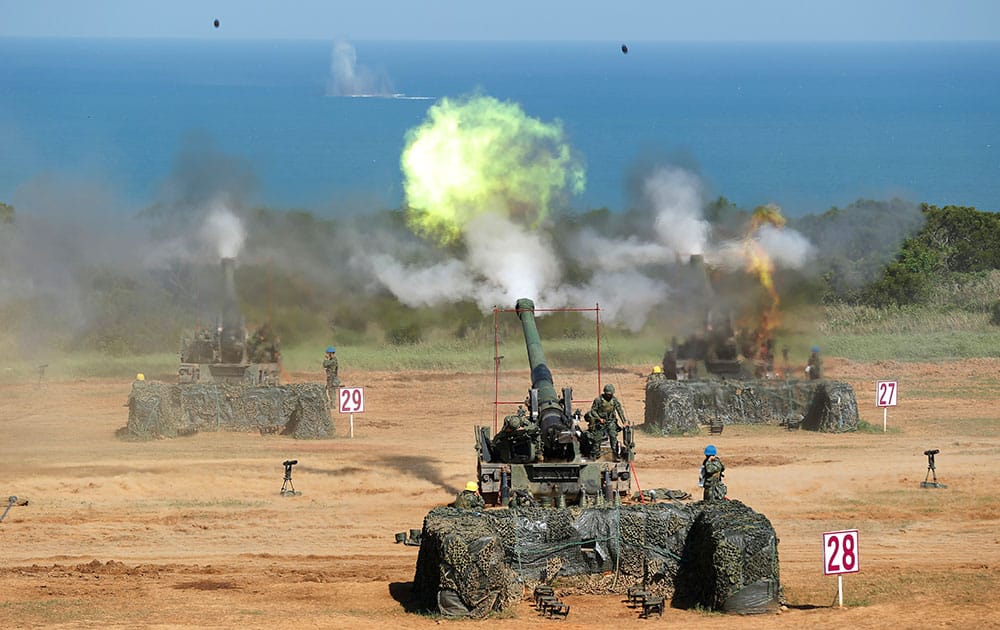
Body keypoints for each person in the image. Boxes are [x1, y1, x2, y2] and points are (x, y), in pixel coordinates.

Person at [585, 384, 629, 460]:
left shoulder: (614, 400)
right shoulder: (598, 400)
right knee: (597, 439)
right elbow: (593, 411)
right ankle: (595, 454)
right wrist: (599, 418)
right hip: (600, 422)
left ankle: (616, 454)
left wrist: (624, 421)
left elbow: (619, 410)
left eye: (610, 394)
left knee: (613, 437)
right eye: (608, 394)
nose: (609, 396)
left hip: (611, 421)